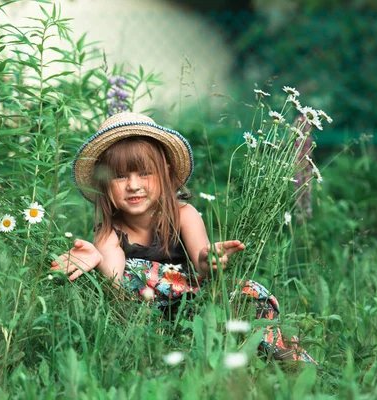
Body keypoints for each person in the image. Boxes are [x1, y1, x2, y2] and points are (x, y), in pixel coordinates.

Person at [50, 112, 316, 364]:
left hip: (198, 310)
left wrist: (207, 259)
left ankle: (284, 358)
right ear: (104, 183)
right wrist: (97, 260)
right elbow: (117, 288)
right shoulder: (109, 232)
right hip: (150, 320)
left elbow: (204, 267)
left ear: (165, 171)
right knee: (136, 271)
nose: (133, 185)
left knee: (251, 292)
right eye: (120, 176)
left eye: (144, 173)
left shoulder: (183, 214)